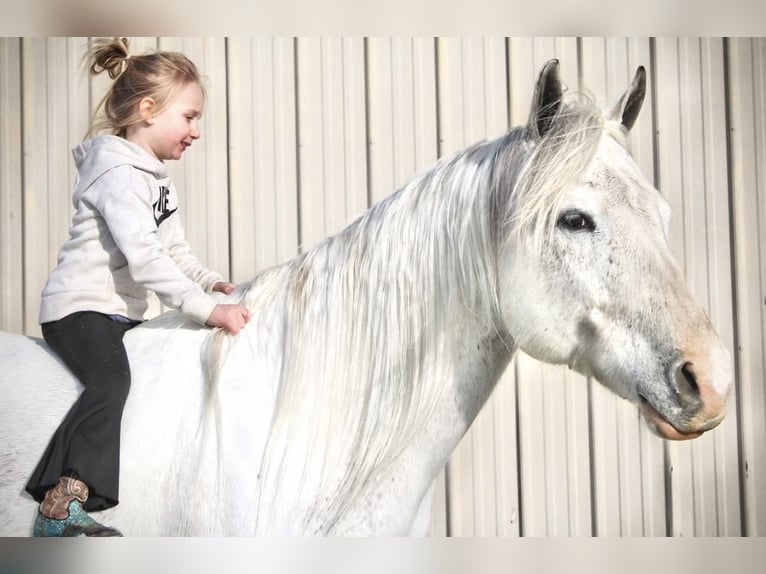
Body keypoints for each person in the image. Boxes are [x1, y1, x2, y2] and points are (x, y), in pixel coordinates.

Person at [24, 37, 251, 537]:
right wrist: (206, 310)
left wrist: (212, 283)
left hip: (123, 313)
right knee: (112, 381)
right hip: (80, 309)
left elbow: (174, 251)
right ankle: (60, 506)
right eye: (189, 117)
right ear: (148, 109)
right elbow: (146, 260)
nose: (196, 131)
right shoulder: (117, 173)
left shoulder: (157, 178)